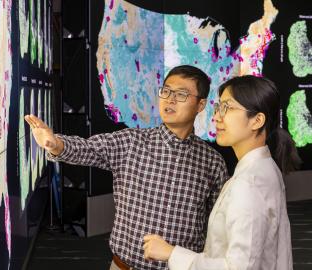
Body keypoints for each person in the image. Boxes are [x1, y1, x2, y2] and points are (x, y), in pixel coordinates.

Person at [24, 65, 229, 270]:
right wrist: (57, 144)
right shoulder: (132, 142)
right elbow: (88, 148)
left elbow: (217, 228)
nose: (170, 99)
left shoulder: (213, 162)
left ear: (200, 105)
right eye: (166, 91)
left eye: (181, 94)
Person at [143, 75, 301, 270]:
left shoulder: (248, 184)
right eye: (219, 107)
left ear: (257, 120)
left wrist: (171, 253)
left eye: (228, 107)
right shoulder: (266, 168)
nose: (216, 116)